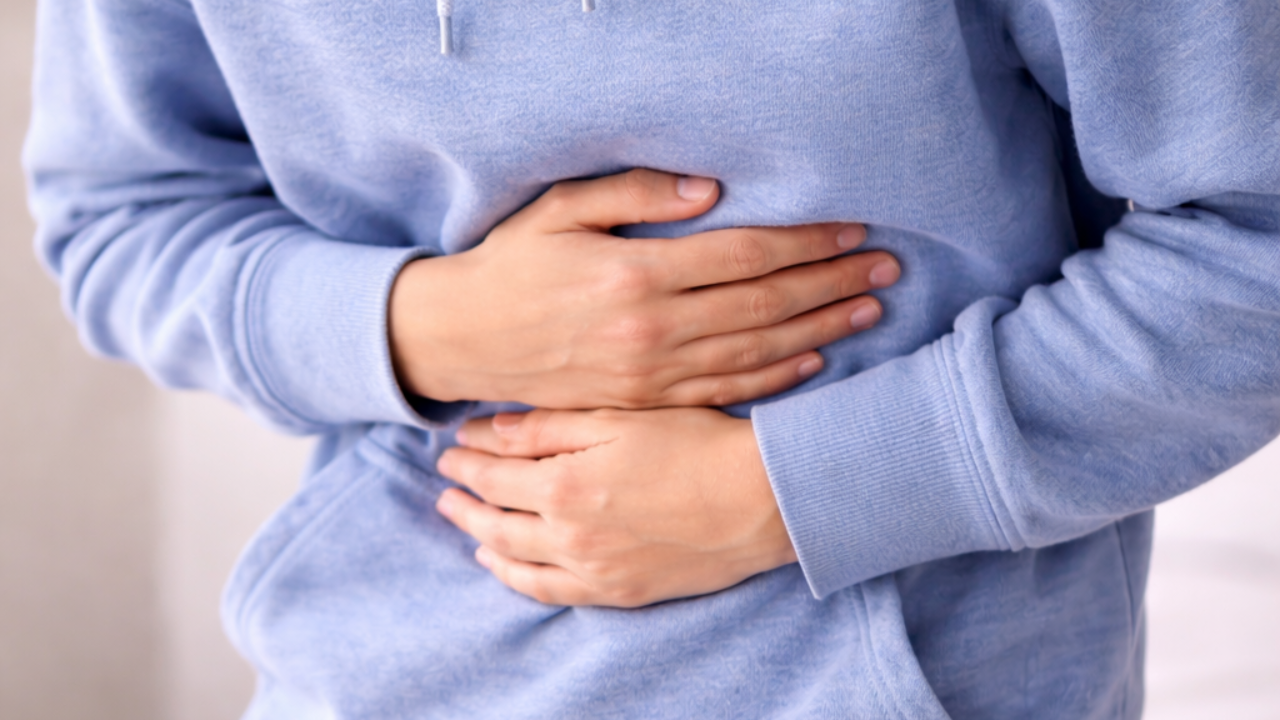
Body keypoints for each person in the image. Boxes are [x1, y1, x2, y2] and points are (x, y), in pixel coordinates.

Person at [23, 0, 1279, 717]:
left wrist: (786, 491)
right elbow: (120, 216)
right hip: (372, 681)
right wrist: (428, 323)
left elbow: (1253, 249)